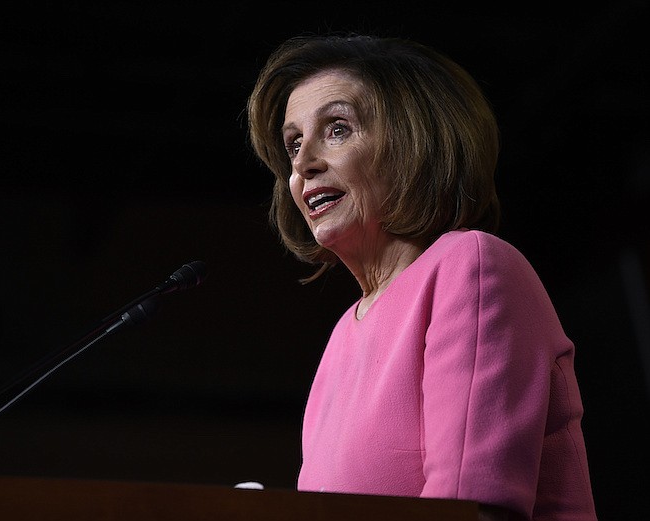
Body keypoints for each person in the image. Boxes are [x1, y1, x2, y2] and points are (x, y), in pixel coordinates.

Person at [247, 34, 598, 521]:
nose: (304, 164)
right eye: (294, 143)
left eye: (338, 129)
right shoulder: (343, 334)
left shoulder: (469, 265)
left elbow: (471, 510)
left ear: (415, 143)